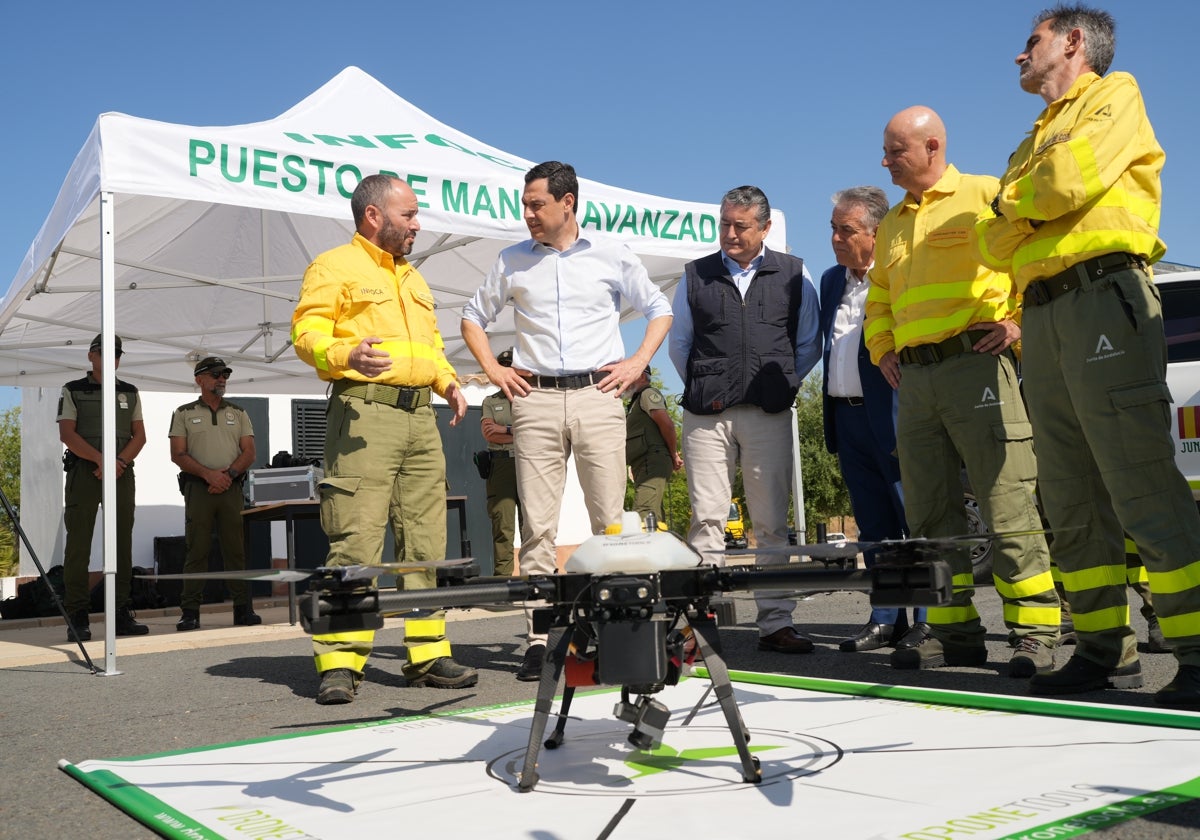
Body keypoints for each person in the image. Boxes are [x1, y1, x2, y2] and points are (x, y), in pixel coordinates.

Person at [975, 4, 1200, 705]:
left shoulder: (1114, 93)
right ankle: (1105, 650)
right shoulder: (1031, 138)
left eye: (1031, 41)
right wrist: (1022, 207)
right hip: (1042, 316)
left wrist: (1014, 206)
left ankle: (1195, 651)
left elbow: (1068, 185)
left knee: (1139, 479)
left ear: (1072, 42)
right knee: (1068, 494)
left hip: (1105, 295)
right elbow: (992, 243)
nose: (1020, 55)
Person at [864, 106, 1060, 677]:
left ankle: (1035, 633)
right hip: (916, 381)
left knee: (1007, 501)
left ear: (932, 147)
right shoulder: (894, 223)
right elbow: (878, 298)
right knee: (928, 513)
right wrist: (882, 349)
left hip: (977, 366)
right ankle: (954, 635)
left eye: (895, 150)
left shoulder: (984, 193)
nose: (885, 161)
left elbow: (1033, 255)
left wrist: (1020, 321)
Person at [461, 160, 673, 681]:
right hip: (533, 400)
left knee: (611, 521)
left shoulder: (611, 253)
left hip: (599, 396)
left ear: (568, 202)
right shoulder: (512, 260)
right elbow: (472, 317)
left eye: (537, 204)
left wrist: (637, 363)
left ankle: (612, 627)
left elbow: (659, 308)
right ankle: (539, 637)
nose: (528, 214)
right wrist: (493, 371)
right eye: (525, 204)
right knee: (537, 525)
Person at [292, 174, 476, 704]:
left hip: (421, 419)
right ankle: (341, 664)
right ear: (375, 215)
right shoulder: (333, 266)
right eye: (410, 214)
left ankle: (427, 656)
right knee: (356, 539)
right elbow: (305, 332)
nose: (418, 224)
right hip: (364, 414)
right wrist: (344, 355)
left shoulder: (414, 278)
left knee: (425, 542)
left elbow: (432, 344)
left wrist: (447, 382)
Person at [669, 185, 821, 654]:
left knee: (773, 523)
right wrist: (709, 384)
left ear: (765, 228)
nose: (730, 234)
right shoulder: (695, 275)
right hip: (706, 418)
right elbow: (680, 344)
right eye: (724, 224)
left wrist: (783, 385)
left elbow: (808, 342)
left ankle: (775, 623)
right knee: (707, 519)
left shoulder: (794, 274)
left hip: (768, 413)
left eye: (741, 226)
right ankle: (699, 624)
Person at [819, 187, 928, 653]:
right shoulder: (829, 281)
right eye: (834, 229)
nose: (836, 239)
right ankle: (886, 618)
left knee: (914, 520)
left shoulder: (901, 274)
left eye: (847, 230)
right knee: (874, 526)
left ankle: (927, 619)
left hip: (895, 415)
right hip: (847, 419)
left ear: (877, 233)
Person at [57, 334, 149, 642]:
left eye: (117, 354)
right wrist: (101, 460)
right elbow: (67, 434)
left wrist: (118, 462)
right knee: (79, 544)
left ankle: (120, 612)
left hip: (121, 472)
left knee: (122, 543)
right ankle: (78, 616)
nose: (112, 358)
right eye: (105, 352)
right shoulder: (73, 390)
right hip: (85, 472)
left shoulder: (129, 392)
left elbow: (140, 436)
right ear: (91, 356)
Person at [168, 356, 262, 631]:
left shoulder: (239, 412)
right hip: (199, 488)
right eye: (216, 374)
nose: (222, 379)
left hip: (231, 488)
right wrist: (209, 475)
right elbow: (178, 454)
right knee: (196, 549)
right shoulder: (183, 412)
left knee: (236, 550)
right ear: (200, 379)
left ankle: (243, 609)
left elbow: (250, 453)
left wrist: (228, 476)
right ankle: (190, 612)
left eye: (225, 375)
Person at [480, 349, 521, 576]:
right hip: (501, 466)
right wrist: (519, 432)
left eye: (510, 365)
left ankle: (536, 579)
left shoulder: (531, 397)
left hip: (528, 464)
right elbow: (489, 434)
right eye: (503, 365)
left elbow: (536, 432)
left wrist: (504, 429)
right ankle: (503, 581)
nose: (507, 369)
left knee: (533, 525)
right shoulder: (490, 401)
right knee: (503, 526)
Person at [625, 366, 681, 524]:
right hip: (644, 463)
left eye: (629, 375)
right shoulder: (636, 401)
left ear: (642, 376)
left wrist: (673, 454)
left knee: (643, 512)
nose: (625, 380)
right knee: (652, 515)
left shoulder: (648, 394)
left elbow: (667, 424)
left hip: (652, 460)